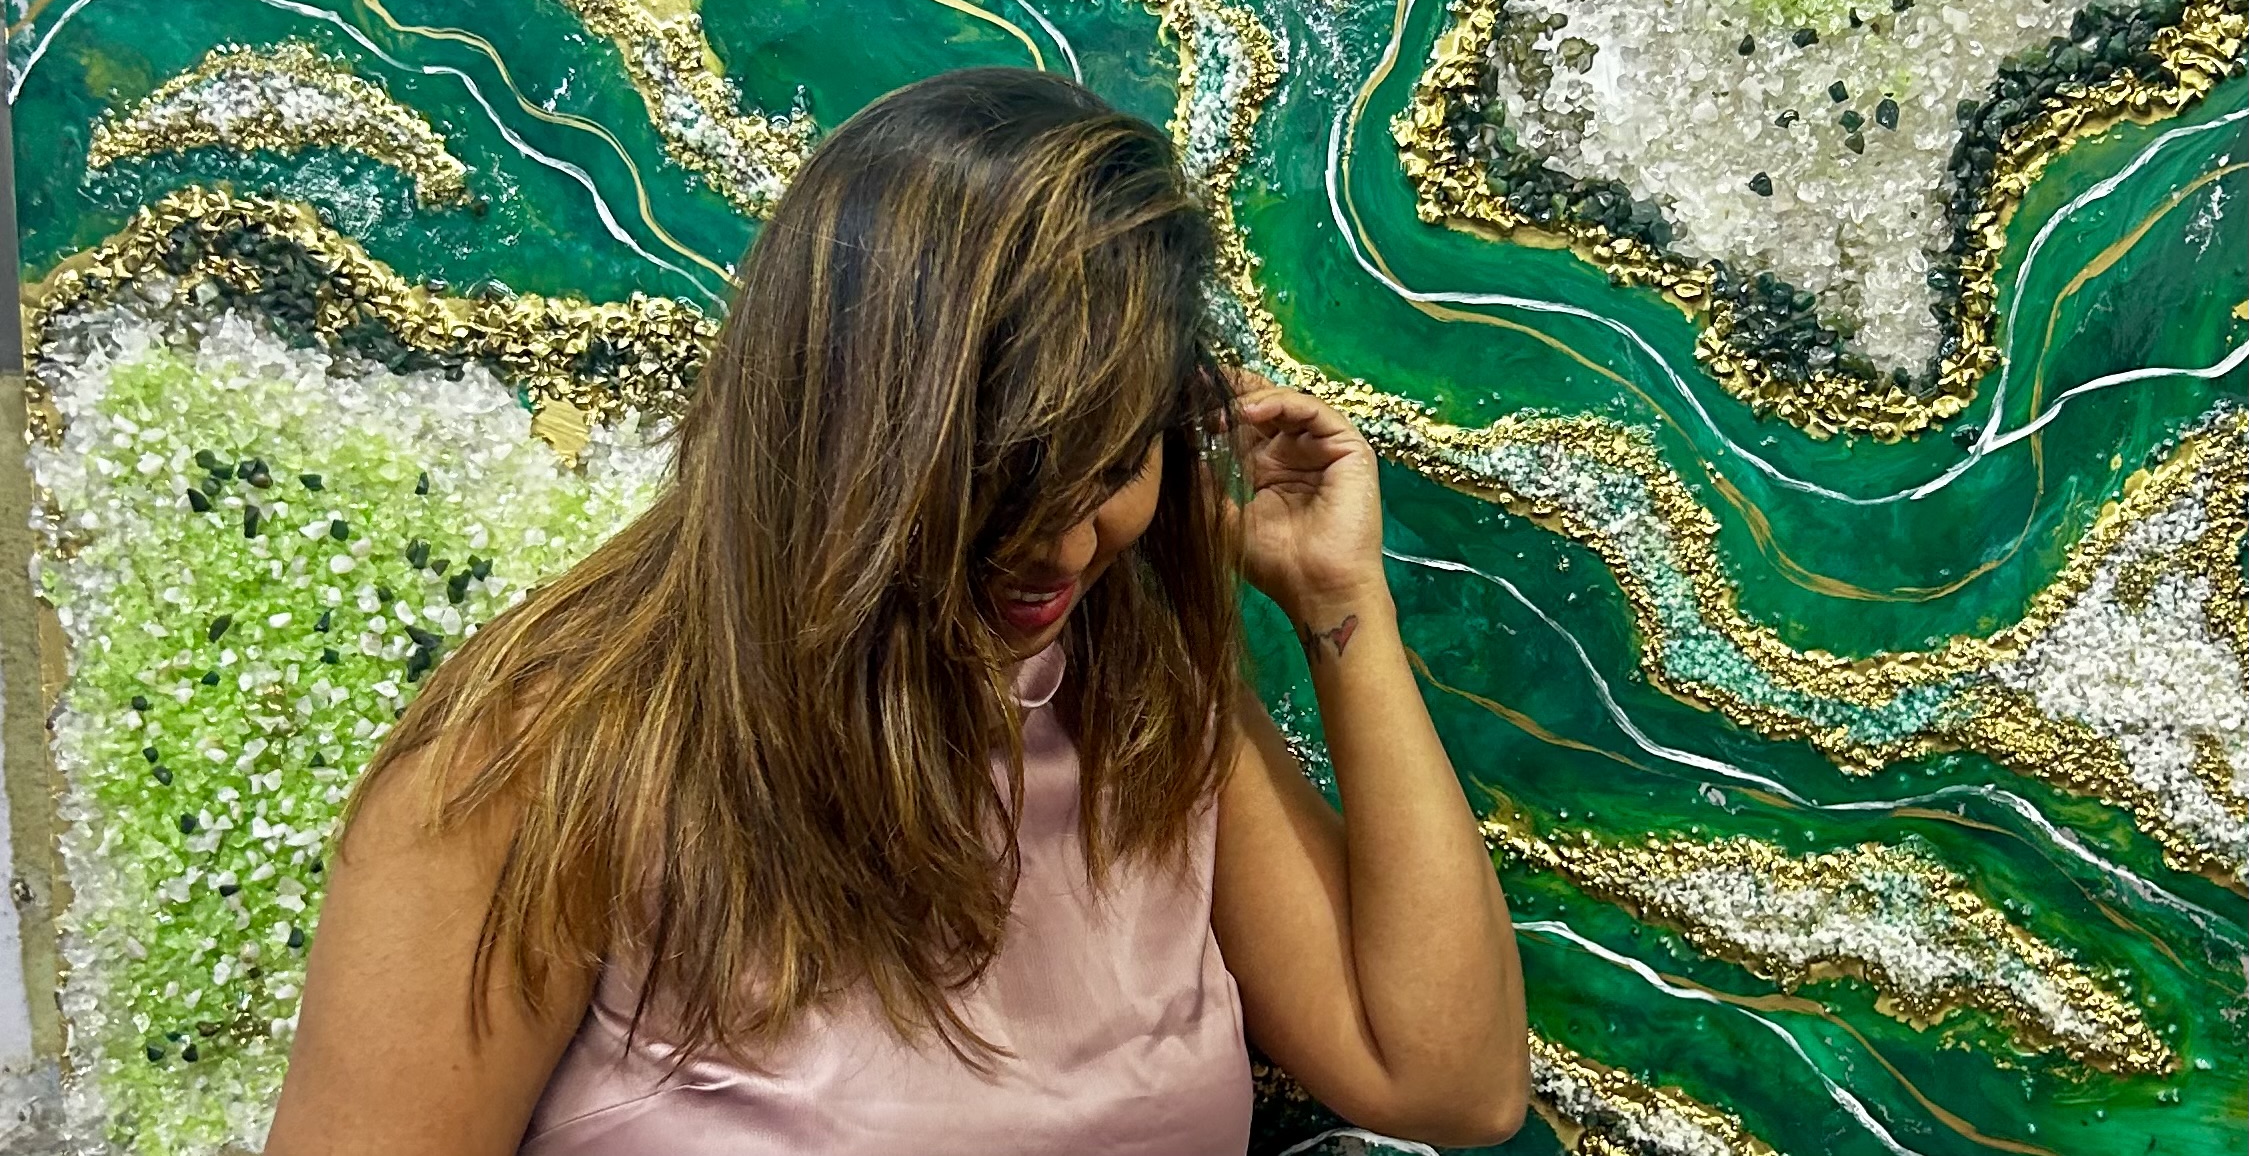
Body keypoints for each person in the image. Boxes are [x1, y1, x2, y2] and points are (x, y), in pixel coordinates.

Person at [266, 68, 1528, 1154]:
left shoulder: (1137, 698)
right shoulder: (542, 760)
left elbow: (1445, 1082)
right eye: (1001, 472)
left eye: (1110, 463)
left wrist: (1337, 605)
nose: (1064, 546)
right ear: (835, 424)